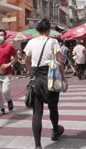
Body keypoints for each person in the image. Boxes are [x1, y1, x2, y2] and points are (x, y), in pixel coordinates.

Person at [24, 19, 65, 149]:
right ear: (49, 30)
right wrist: (63, 77)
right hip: (51, 78)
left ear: (37, 30)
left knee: (37, 113)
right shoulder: (53, 41)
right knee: (53, 108)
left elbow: (26, 60)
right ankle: (55, 131)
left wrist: (30, 71)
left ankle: (37, 145)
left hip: (36, 79)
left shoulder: (31, 42)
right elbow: (59, 61)